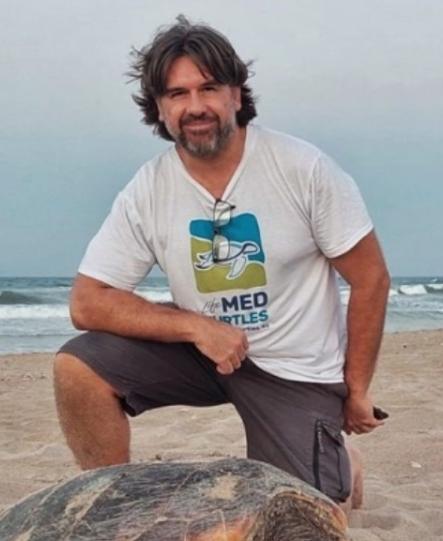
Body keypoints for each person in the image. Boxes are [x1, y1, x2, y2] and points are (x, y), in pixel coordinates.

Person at [53, 16, 389, 509]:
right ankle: (111, 508)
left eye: (208, 88)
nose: (195, 107)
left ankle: (341, 459)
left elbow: (370, 279)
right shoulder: (149, 189)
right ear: (160, 109)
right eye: (177, 94)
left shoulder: (303, 168)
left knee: (300, 519)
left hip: (294, 368)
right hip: (204, 354)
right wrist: (194, 327)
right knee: (78, 366)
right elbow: (87, 302)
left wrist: (356, 389)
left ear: (236, 94)